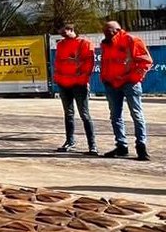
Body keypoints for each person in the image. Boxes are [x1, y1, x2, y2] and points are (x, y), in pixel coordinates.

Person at [99, 20, 153, 160]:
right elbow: (106, 63)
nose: (105, 32)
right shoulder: (105, 44)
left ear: (117, 29)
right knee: (115, 116)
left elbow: (145, 61)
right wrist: (105, 79)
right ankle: (121, 146)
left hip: (130, 83)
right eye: (104, 30)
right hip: (111, 84)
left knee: (136, 114)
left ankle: (141, 147)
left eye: (108, 30)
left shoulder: (131, 40)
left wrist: (133, 78)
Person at [52, 22, 98, 156]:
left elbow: (89, 64)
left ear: (71, 29)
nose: (62, 35)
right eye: (60, 32)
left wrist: (82, 80)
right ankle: (69, 141)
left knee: (84, 114)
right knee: (68, 114)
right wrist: (58, 79)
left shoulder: (84, 43)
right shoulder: (61, 44)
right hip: (63, 84)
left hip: (79, 84)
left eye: (64, 32)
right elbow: (58, 63)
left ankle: (92, 145)